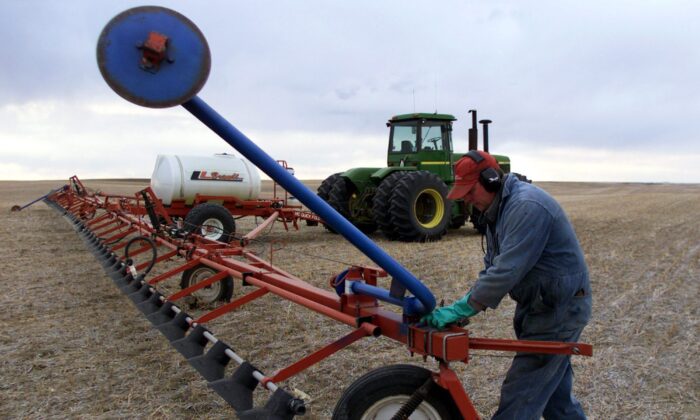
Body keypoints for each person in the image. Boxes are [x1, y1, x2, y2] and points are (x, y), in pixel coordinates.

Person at [421, 150, 592, 419]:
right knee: (554, 398)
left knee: (522, 393)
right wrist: (464, 304)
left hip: (559, 308)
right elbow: (492, 265)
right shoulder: (496, 211)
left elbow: (506, 270)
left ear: (491, 179)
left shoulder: (527, 207)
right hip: (539, 305)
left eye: (469, 190)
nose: (465, 198)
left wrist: (464, 308)